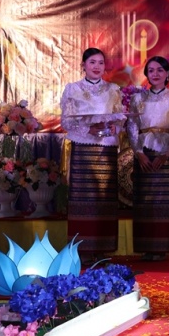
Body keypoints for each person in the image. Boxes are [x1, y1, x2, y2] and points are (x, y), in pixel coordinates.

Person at [60, 47, 125, 263]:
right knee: (83, 199)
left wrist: (115, 127)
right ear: (83, 65)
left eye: (100, 63)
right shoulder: (72, 88)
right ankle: (83, 250)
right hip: (83, 147)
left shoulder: (113, 89)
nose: (97, 67)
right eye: (92, 62)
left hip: (106, 149)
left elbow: (120, 117)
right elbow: (66, 121)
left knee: (104, 198)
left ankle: (103, 249)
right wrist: (88, 129)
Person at [126, 56, 169, 261]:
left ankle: (161, 247)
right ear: (147, 74)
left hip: (166, 153)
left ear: (167, 73)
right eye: (151, 70)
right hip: (144, 151)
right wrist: (138, 152)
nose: (155, 74)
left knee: (164, 200)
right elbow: (132, 126)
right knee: (144, 200)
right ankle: (146, 247)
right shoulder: (138, 99)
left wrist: (166, 153)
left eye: (160, 70)